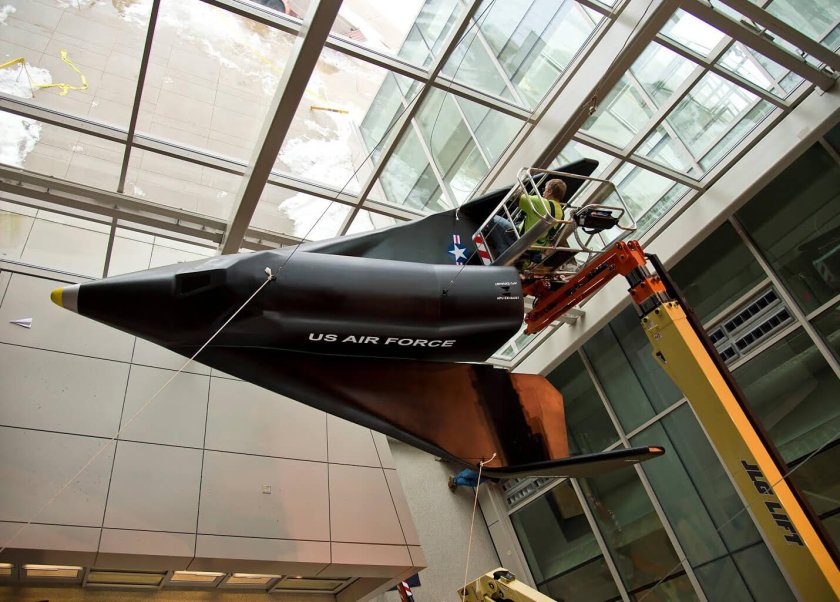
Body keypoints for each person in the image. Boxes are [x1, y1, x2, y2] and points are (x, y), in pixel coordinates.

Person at [518, 178, 567, 269]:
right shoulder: (561, 213)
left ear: (549, 191)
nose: (543, 192)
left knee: (495, 220)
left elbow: (516, 196)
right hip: (535, 248)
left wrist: (520, 187)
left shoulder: (542, 203)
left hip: (521, 243)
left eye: (545, 189)